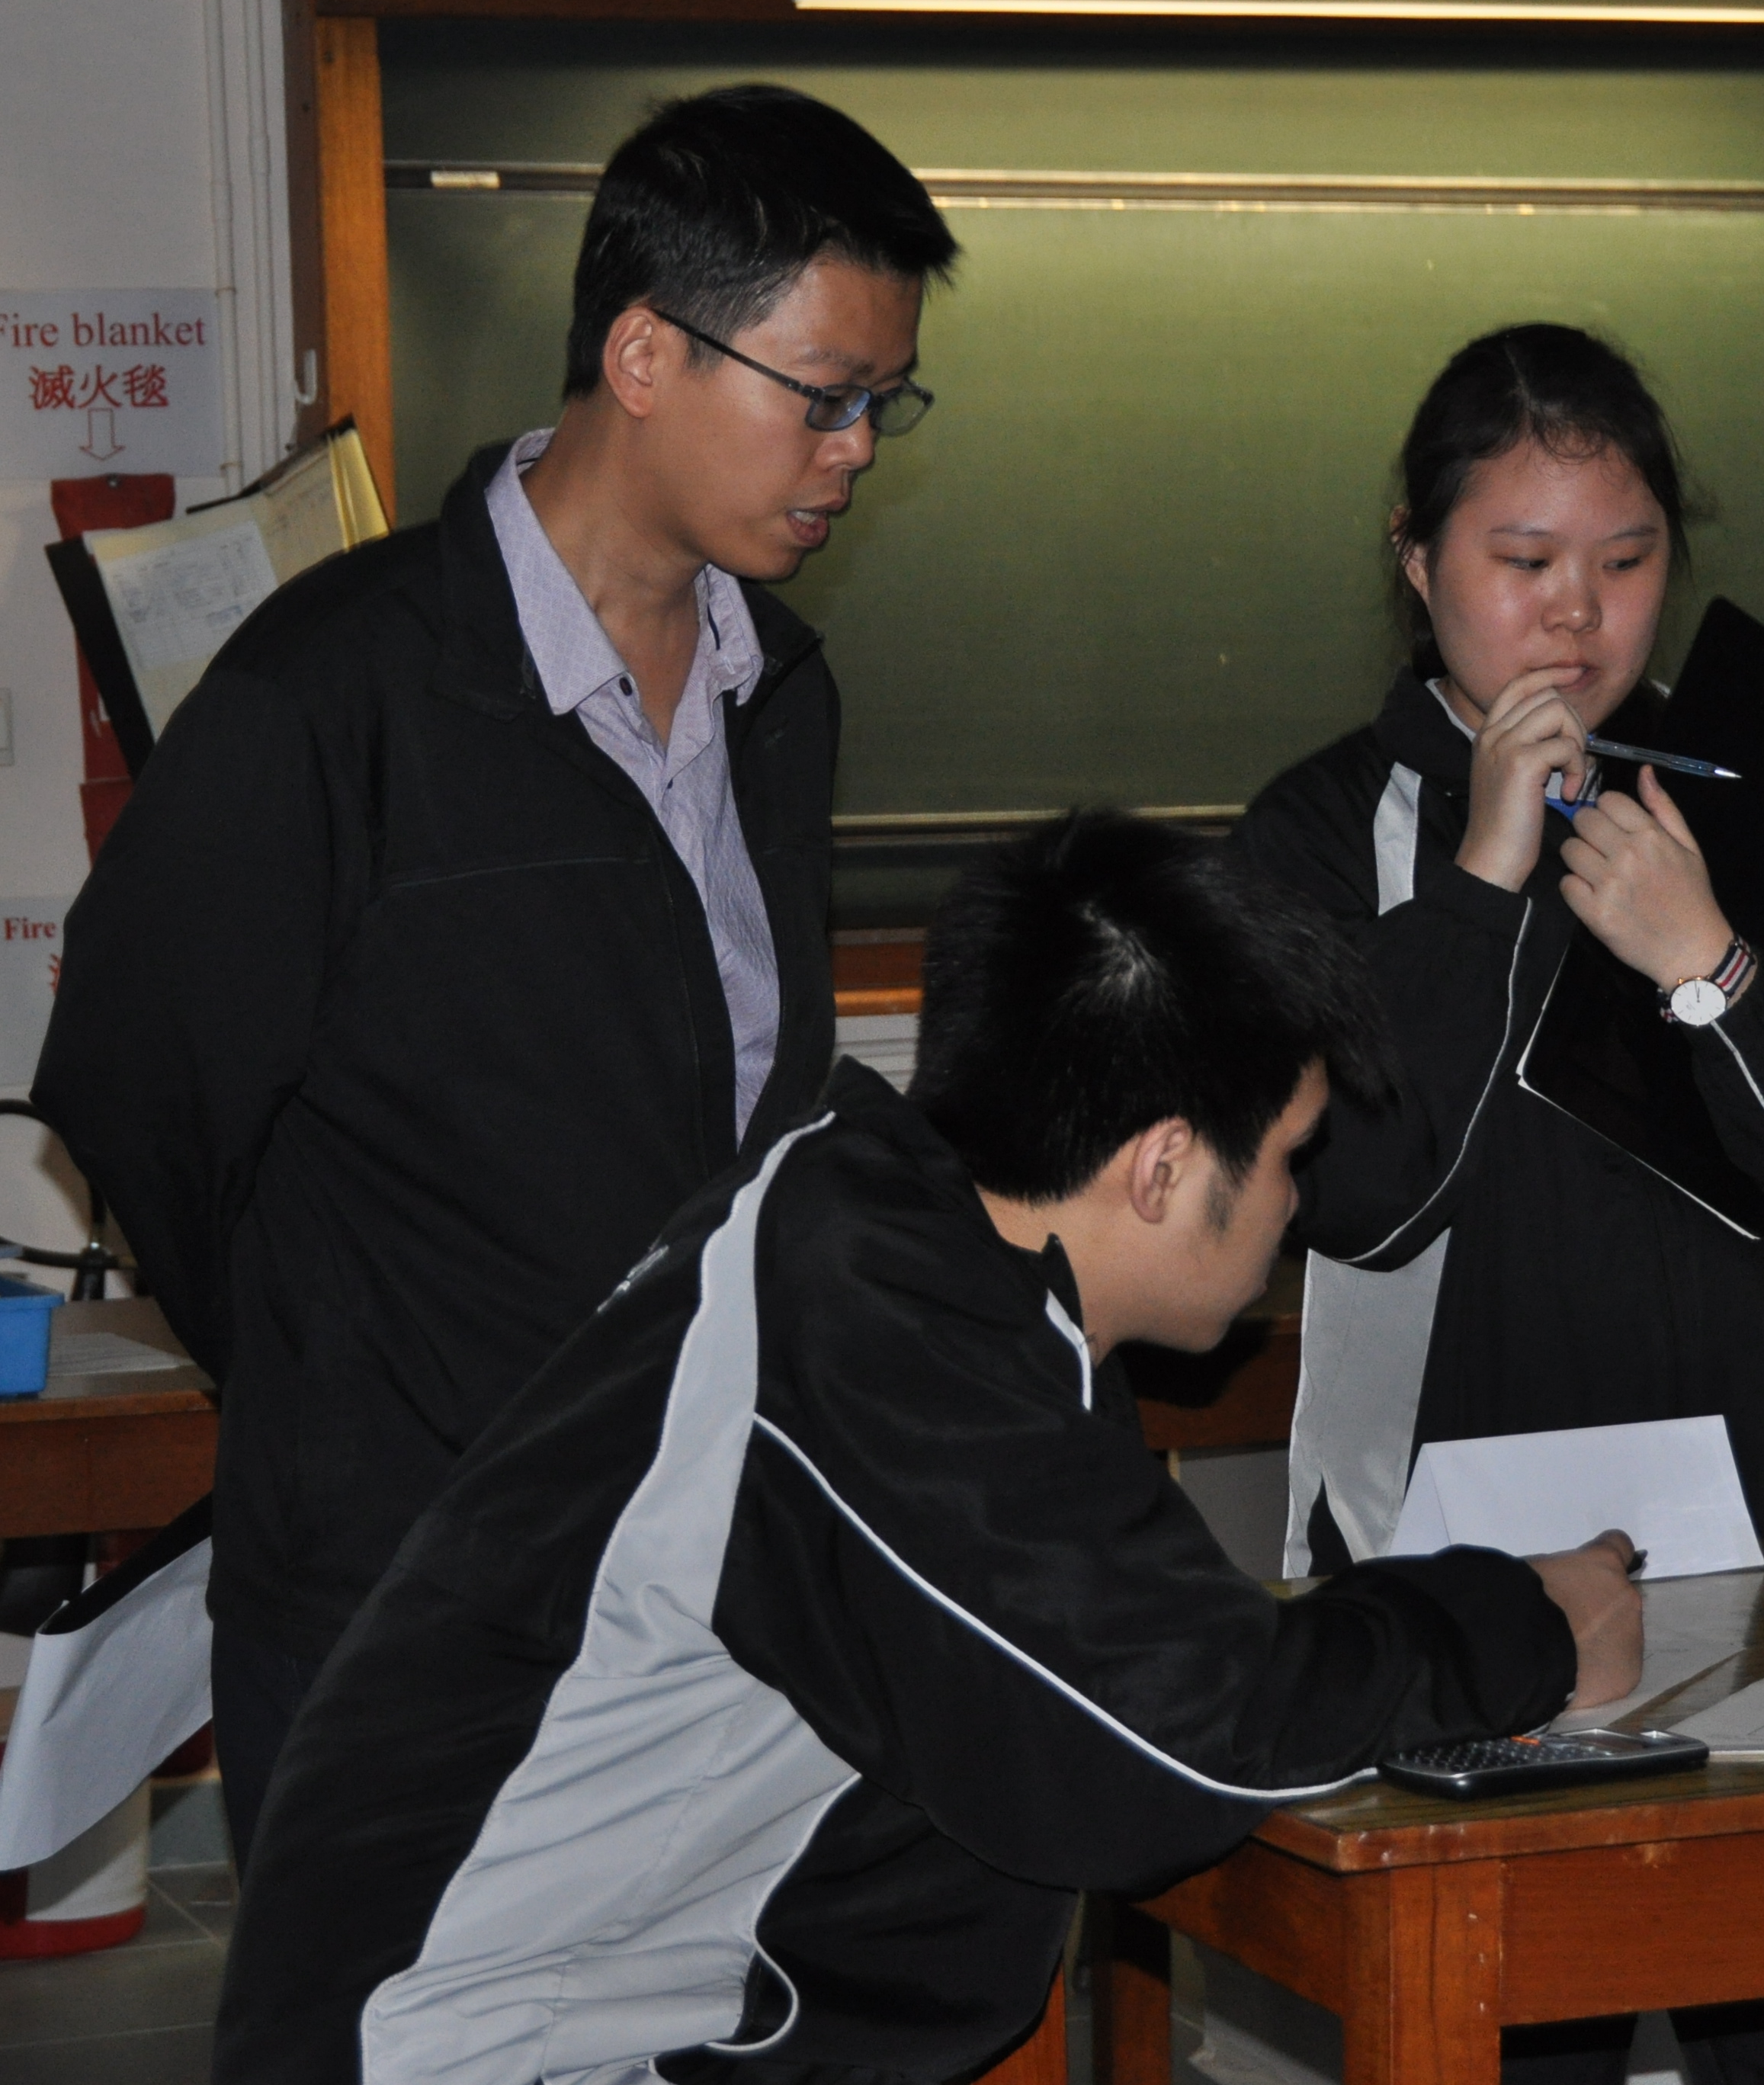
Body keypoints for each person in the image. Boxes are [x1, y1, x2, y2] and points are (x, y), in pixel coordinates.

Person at [209, 812, 1646, 2085]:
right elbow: (1182, 1740)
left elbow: (1118, 1669)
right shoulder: (876, 1315)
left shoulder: (887, 1230)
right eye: (1288, 1157)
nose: (1295, 1206)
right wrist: (1528, 1621)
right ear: (1161, 1166)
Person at [32, 84, 957, 1865]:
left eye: (884, 402)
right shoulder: (338, 688)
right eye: (823, 394)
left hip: (684, 1573)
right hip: (400, 1594)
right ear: (643, 353)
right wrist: (341, 1380)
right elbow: (142, 1088)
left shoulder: (779, 689)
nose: (855, 448)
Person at [1232, 324, 1764, 2085]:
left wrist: (1710, 965)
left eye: (1625, 562)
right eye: (1522, 560)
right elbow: (1358, 1200)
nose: (1575, 615)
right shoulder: (1319, 830)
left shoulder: (1746, 796)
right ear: (1416, 558)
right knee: (1502, 2031)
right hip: (1457, 1585)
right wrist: (1486, 875)